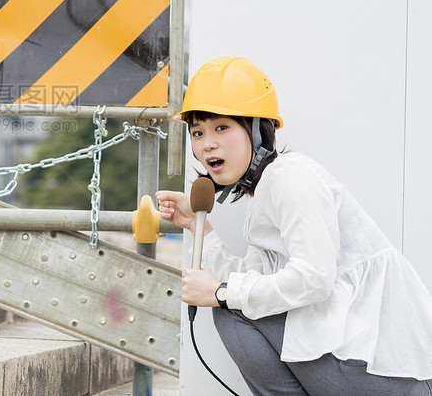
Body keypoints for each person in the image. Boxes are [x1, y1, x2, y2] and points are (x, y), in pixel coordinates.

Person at [155, 56, 432, 396]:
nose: (206, 143)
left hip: (389, 375)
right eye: (197, 133)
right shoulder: (266, 191)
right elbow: (252, 281)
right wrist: (199, 228)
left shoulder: (289, 176)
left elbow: (314, 278)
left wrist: (222, 294)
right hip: (364, 370)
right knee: (233, 303)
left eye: (221, 127)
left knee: (231, 308)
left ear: (257, 129)